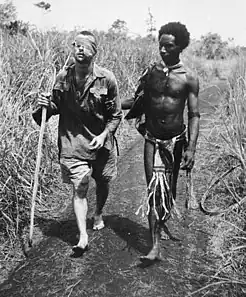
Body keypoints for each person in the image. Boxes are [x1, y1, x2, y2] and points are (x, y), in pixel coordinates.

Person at [33, 30, 122, 255]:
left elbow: (116, 115)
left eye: (85, 45)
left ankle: (99, 212)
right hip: (72, 142)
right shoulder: (63, 77)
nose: (80, 48)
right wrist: (45, 104)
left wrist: (103, 136)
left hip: (101, 142)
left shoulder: (107, 79)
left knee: (103, 183)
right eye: (76, 45)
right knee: (80, 185)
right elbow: (55, 107)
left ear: (95, 51)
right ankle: (83, 236)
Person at [122, 22, 200, 261]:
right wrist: (107, 102)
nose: (163, 51)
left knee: (170, 191)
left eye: (169, 46)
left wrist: (191, 148)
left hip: (176, 141)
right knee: (154, 190)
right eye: (161, 46)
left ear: (180, 47)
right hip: (152, 139)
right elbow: (135, 101)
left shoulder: (189, 78)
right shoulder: (150, 73)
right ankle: (154, 246)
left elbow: (194, 114)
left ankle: (161, 222)